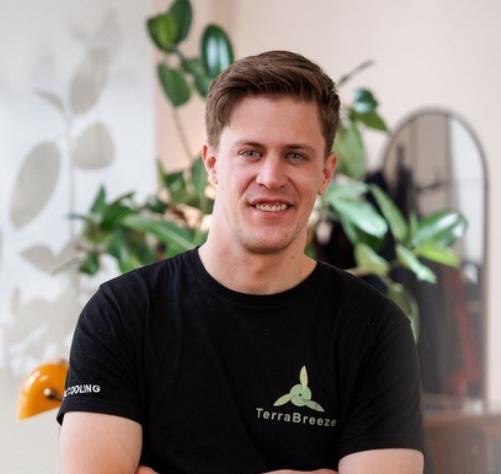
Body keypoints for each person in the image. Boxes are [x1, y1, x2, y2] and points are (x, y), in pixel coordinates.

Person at [58, 50, 425, 473]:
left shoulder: (375, 330)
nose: (271, 177)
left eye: (296, 155)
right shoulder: (122, 314)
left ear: (325, 173)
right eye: (250, 152)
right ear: (212, 164)